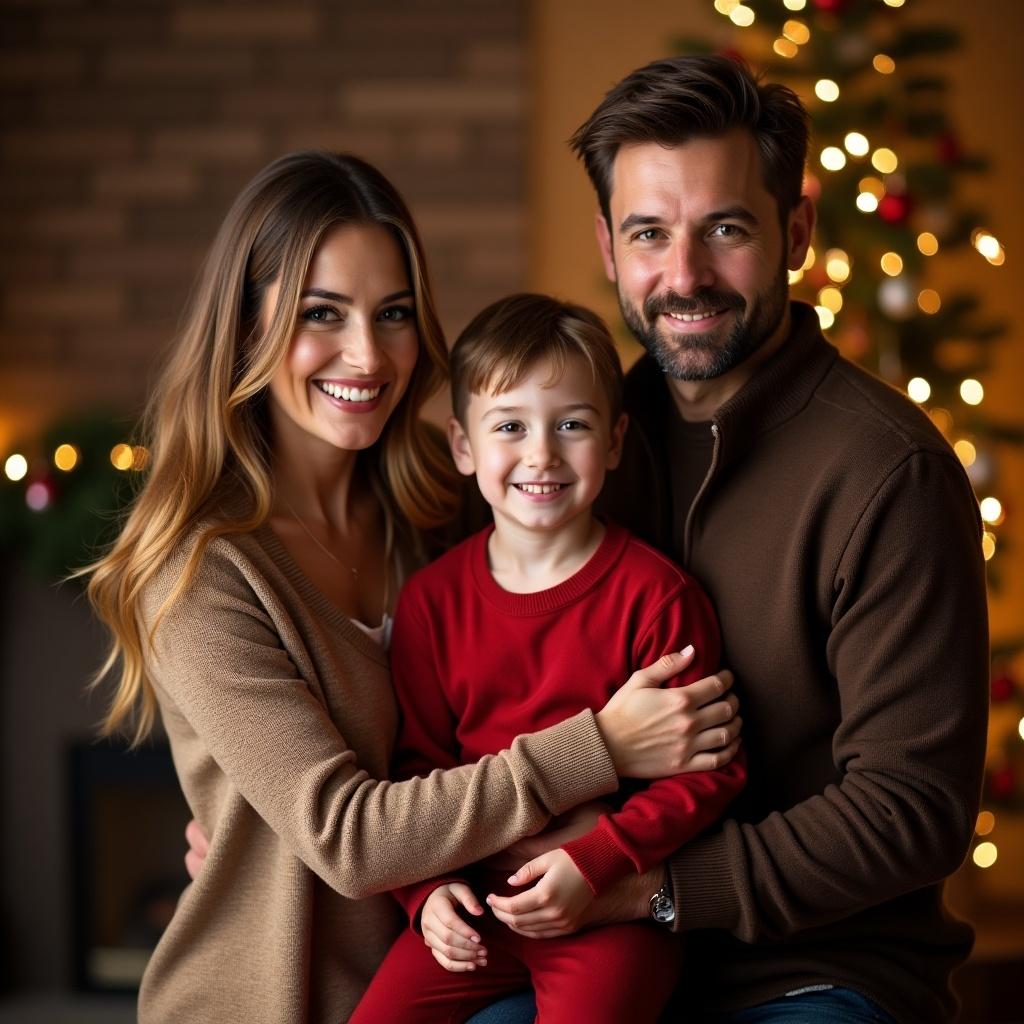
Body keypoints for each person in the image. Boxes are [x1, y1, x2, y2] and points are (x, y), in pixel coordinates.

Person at [84, 151, 743, 1023]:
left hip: (473, 964)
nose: (367, 353)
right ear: (246, 328)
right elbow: (350, 838)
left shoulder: (436, 502)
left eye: (392, 313)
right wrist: (604, 749)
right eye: (323, 314)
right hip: (275, 1001)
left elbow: (530, 668)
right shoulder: (204, 568)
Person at [481, 54, 990, 1024]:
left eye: (724, 228)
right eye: (648, 234)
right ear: (606, 245)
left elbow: (910, 810)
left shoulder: (889, 473)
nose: (684, 277)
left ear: (794, 230)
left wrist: (654, 884)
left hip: (816, 971)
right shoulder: (570, 448)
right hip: (581, 947)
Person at [350, 294, 747, 1023]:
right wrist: (424, 894)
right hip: (476, 910)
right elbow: (414, 769)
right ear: (464, 448)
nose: (542, 454)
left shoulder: (656, 597)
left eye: (572, 425)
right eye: (510, 427)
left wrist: (596, 865)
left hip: (604, 909)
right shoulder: (431, 603)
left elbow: (709, 774)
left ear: (616, 441)